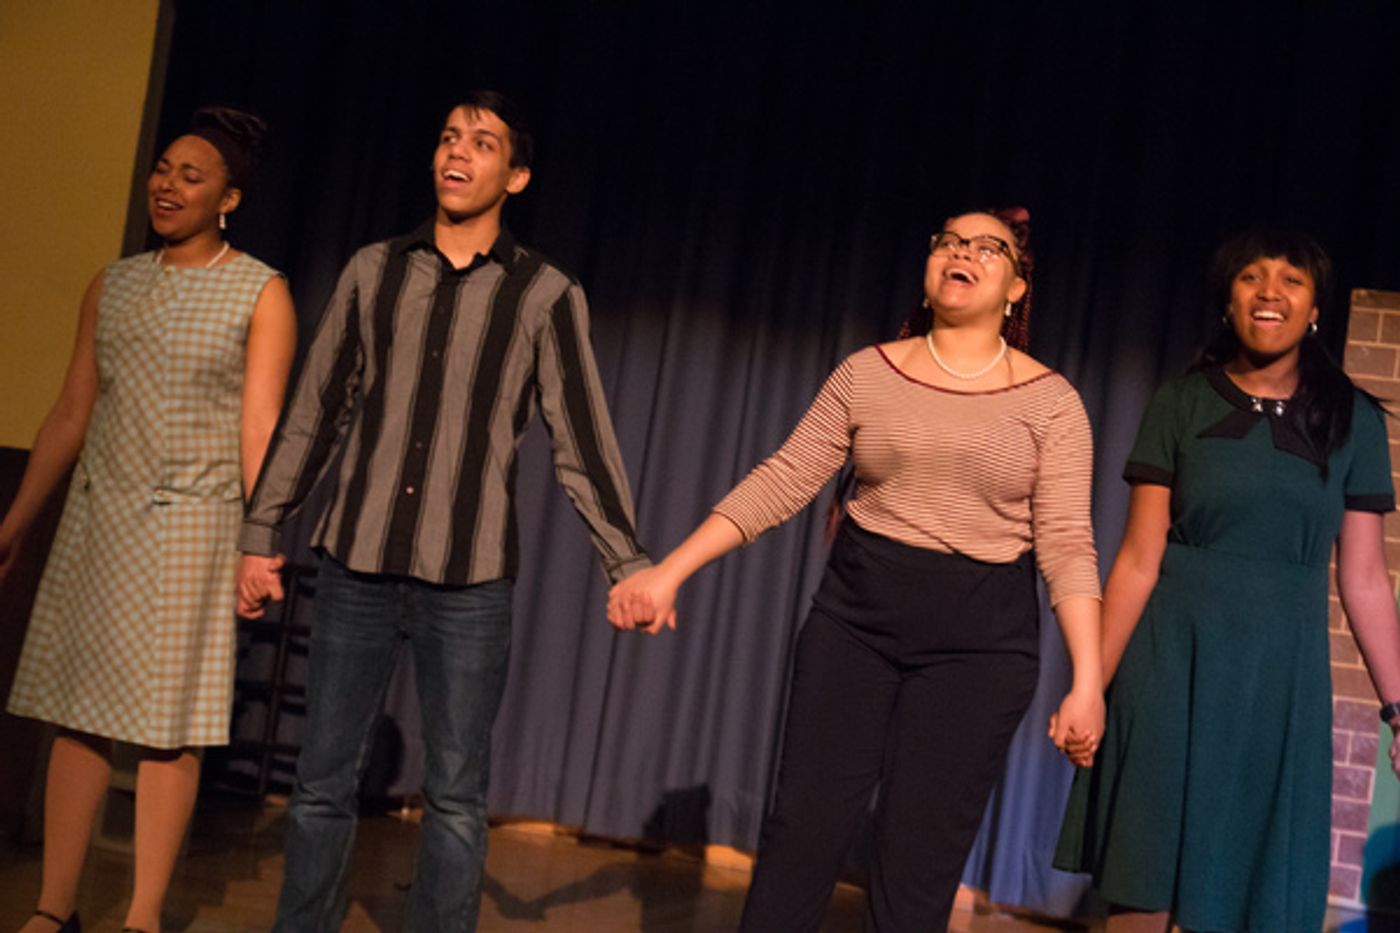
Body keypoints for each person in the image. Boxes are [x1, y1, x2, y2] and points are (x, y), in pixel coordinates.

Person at [608, 208, 1104, 931]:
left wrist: (1086, 680)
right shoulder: (868, 372)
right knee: (802, 832)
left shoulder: (1052, 403)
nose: (961, 253)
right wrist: (669, 571)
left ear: (1017, 288)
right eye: (948, 241)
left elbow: (1066, 541)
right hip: (857, 622)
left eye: (986, 248)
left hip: (979, 645)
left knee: (915, 859)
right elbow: (783, 479)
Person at [234, 90, 649, 932]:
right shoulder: (373, 269)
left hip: (469, 580)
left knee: (457, 795)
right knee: (320, 782)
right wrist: (259, 531)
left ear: (517, 174)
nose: (458, 152)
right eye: (449, 137)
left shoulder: (544, 294)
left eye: (484, 142)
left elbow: (582, 438)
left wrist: (628, 561)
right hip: (354, 560)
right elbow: (316, 411)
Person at [0, 107, 296, 933]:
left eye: (189, 176)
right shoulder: (116, 279)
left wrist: (258, 544)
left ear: (228, 197)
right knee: (80, 709)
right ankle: (55, 906)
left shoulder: (260, 289)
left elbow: (261, 427)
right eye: (163, 169)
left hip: (194, 526)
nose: (166, 185)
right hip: (101, 519)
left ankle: (142, 914)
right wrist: (16, 520)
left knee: (170, 727)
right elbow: (69, 412)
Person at [1054, 229, 1400, 932]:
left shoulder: (1354, 421)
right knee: (1142, 886)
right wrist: (1089, 683)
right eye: (1250, 276)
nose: (1269, 290)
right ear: (1226, 301)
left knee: (1248, 894)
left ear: (1315, 310)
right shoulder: (1180, 404)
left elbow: (1364, 577)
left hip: (1278, 685)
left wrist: (1399, 706)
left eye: (1291, 280)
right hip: (1168, 670)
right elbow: (1138, 559)